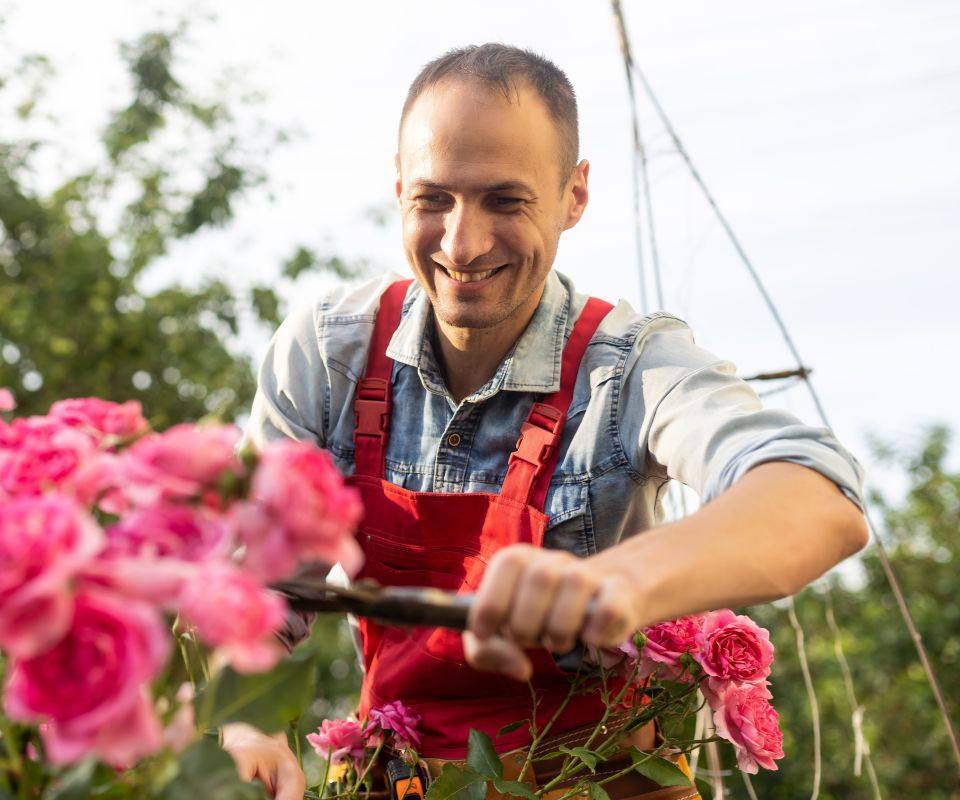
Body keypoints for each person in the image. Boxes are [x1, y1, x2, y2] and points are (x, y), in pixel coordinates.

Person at [224, 44, 868, 799]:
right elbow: (245, 601)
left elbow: (820, 499)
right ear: (398, 188)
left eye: (506, 200)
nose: (462, 245)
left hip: (604, 780)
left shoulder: (631, 367)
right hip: (390, 779)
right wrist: (245, 720)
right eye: (433, 199)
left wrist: (614, 583)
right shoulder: (330, 354)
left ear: (574, 194)